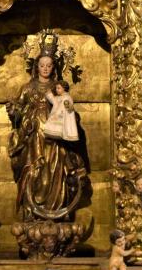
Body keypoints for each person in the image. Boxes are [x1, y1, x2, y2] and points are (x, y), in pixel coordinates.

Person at [7, 51, 87, 220]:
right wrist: (14, 111)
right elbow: (18, 108)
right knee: (35, 169)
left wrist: (70, 113)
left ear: (53, 68)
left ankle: (55, 207)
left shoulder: (57, 88)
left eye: (49, 66)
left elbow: (67, 105)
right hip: (34, 135)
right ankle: (31, 210)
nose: (45, 69)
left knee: (56, 168)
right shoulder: (28, 87)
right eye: (42, 65)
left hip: (55, 136)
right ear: (37, 67)